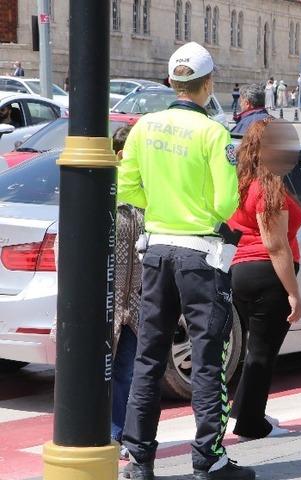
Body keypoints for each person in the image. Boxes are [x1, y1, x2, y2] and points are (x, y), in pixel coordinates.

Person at [117, 41, 253, 480]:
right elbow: (226, 201)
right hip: (200, 254)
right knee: (207, 360)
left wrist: (161, 209)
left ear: (172, 82)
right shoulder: (214, 133)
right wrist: (199, 214)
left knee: (148, 358)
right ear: (207, 84)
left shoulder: (144, 126)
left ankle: (138, 460)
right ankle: (208, 458)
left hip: (155, 249)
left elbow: (128, 188)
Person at [227, 118, 301, 440]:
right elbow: (275, 243)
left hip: (239, 271)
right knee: (263, 354)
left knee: (253, 349)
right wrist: (294, 293)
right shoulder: (267, 186)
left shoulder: (240, 182)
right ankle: (251, 425)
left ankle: (245, 410)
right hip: (265, 274)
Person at [110, 126, 144, 461]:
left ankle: (117, 434)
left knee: (127, 371)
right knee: (109, 371)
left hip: (134, 303)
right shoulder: (105, 190)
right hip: (106, 303)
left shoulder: (146, 194)